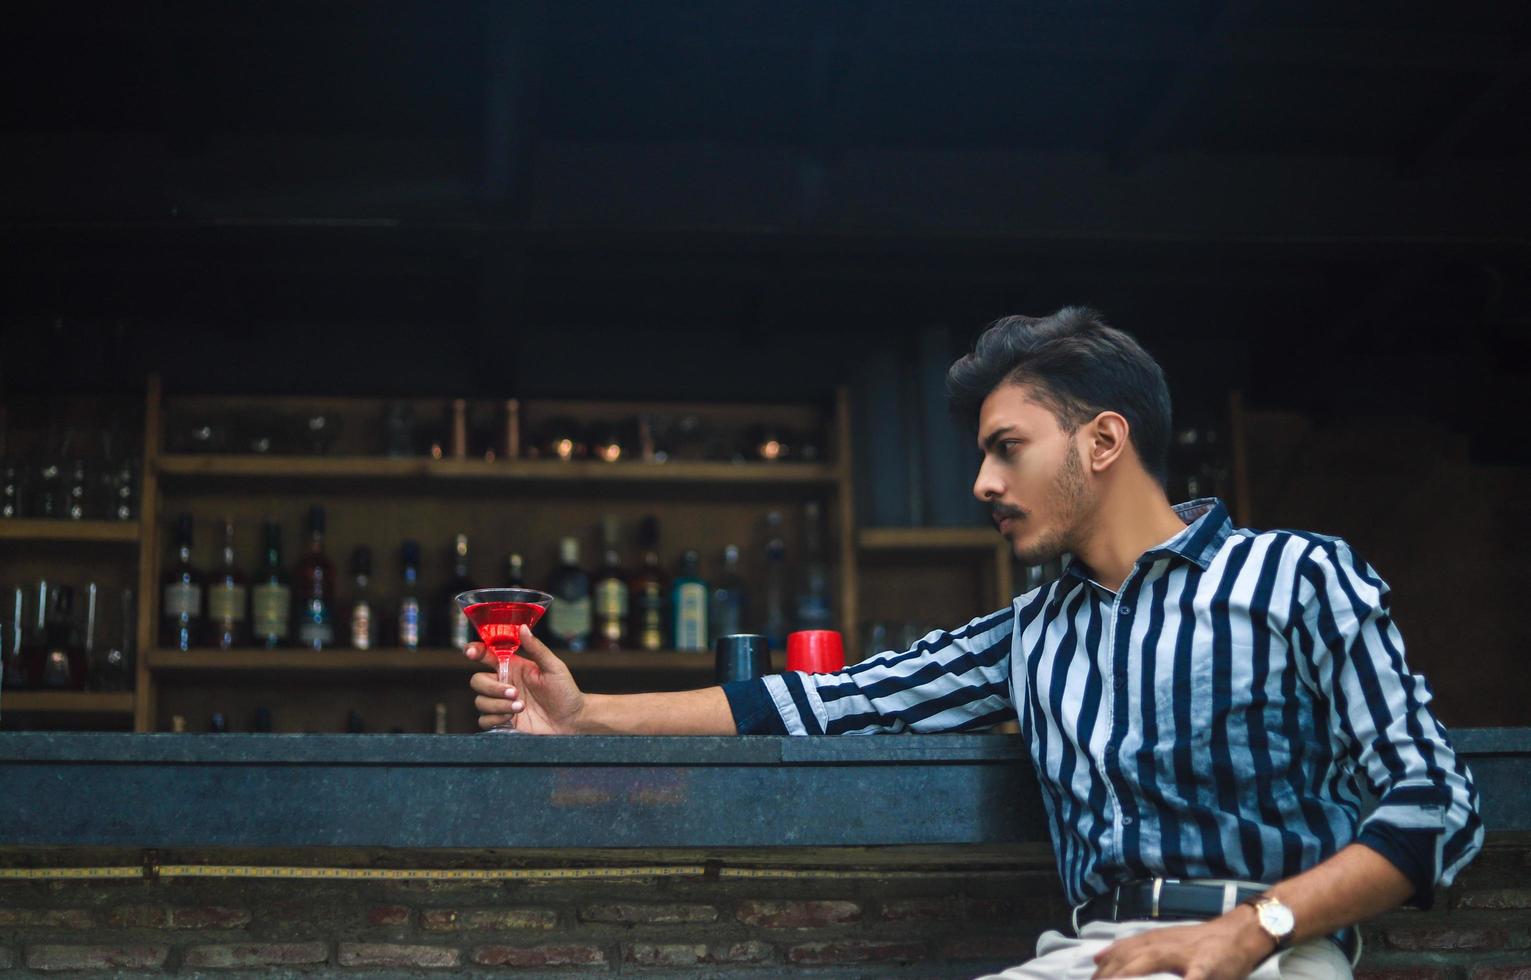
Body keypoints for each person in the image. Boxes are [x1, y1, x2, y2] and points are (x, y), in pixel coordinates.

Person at [467, 308, 1481, 980]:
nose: (982, 484)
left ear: (1102, 440)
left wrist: (1248, 928)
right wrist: (585, 709)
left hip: (1265, 952)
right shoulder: (1031, 630)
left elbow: (1434, 804)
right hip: (1089, 956)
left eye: (1006, 447)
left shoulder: (1298, 575)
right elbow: (828, 700)